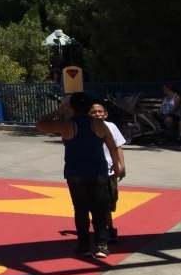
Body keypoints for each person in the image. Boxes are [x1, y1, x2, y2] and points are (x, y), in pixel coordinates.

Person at [36, 92, 124, 258]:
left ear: (72, 108)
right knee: (99, 209)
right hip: (98, 171)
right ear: (89, 107)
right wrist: (117, 166)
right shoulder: (99, 124)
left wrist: (59, 110)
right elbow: (112, 146)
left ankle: (84, 245)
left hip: (75, 172)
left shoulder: (67, 124)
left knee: (80, 209)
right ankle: (102, 245)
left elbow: (41, 124)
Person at [89, 100, 127, 243]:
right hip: (93, 171)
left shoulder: (111, 127)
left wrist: (121, 166)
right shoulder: (87, 128)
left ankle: (109, 227)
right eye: (93, 112)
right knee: (96, 203)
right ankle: (102, 230)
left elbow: (117, 147)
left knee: (108, 202)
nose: (97, 114)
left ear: (105, 114)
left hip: (109, 170)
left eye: (100, 112)